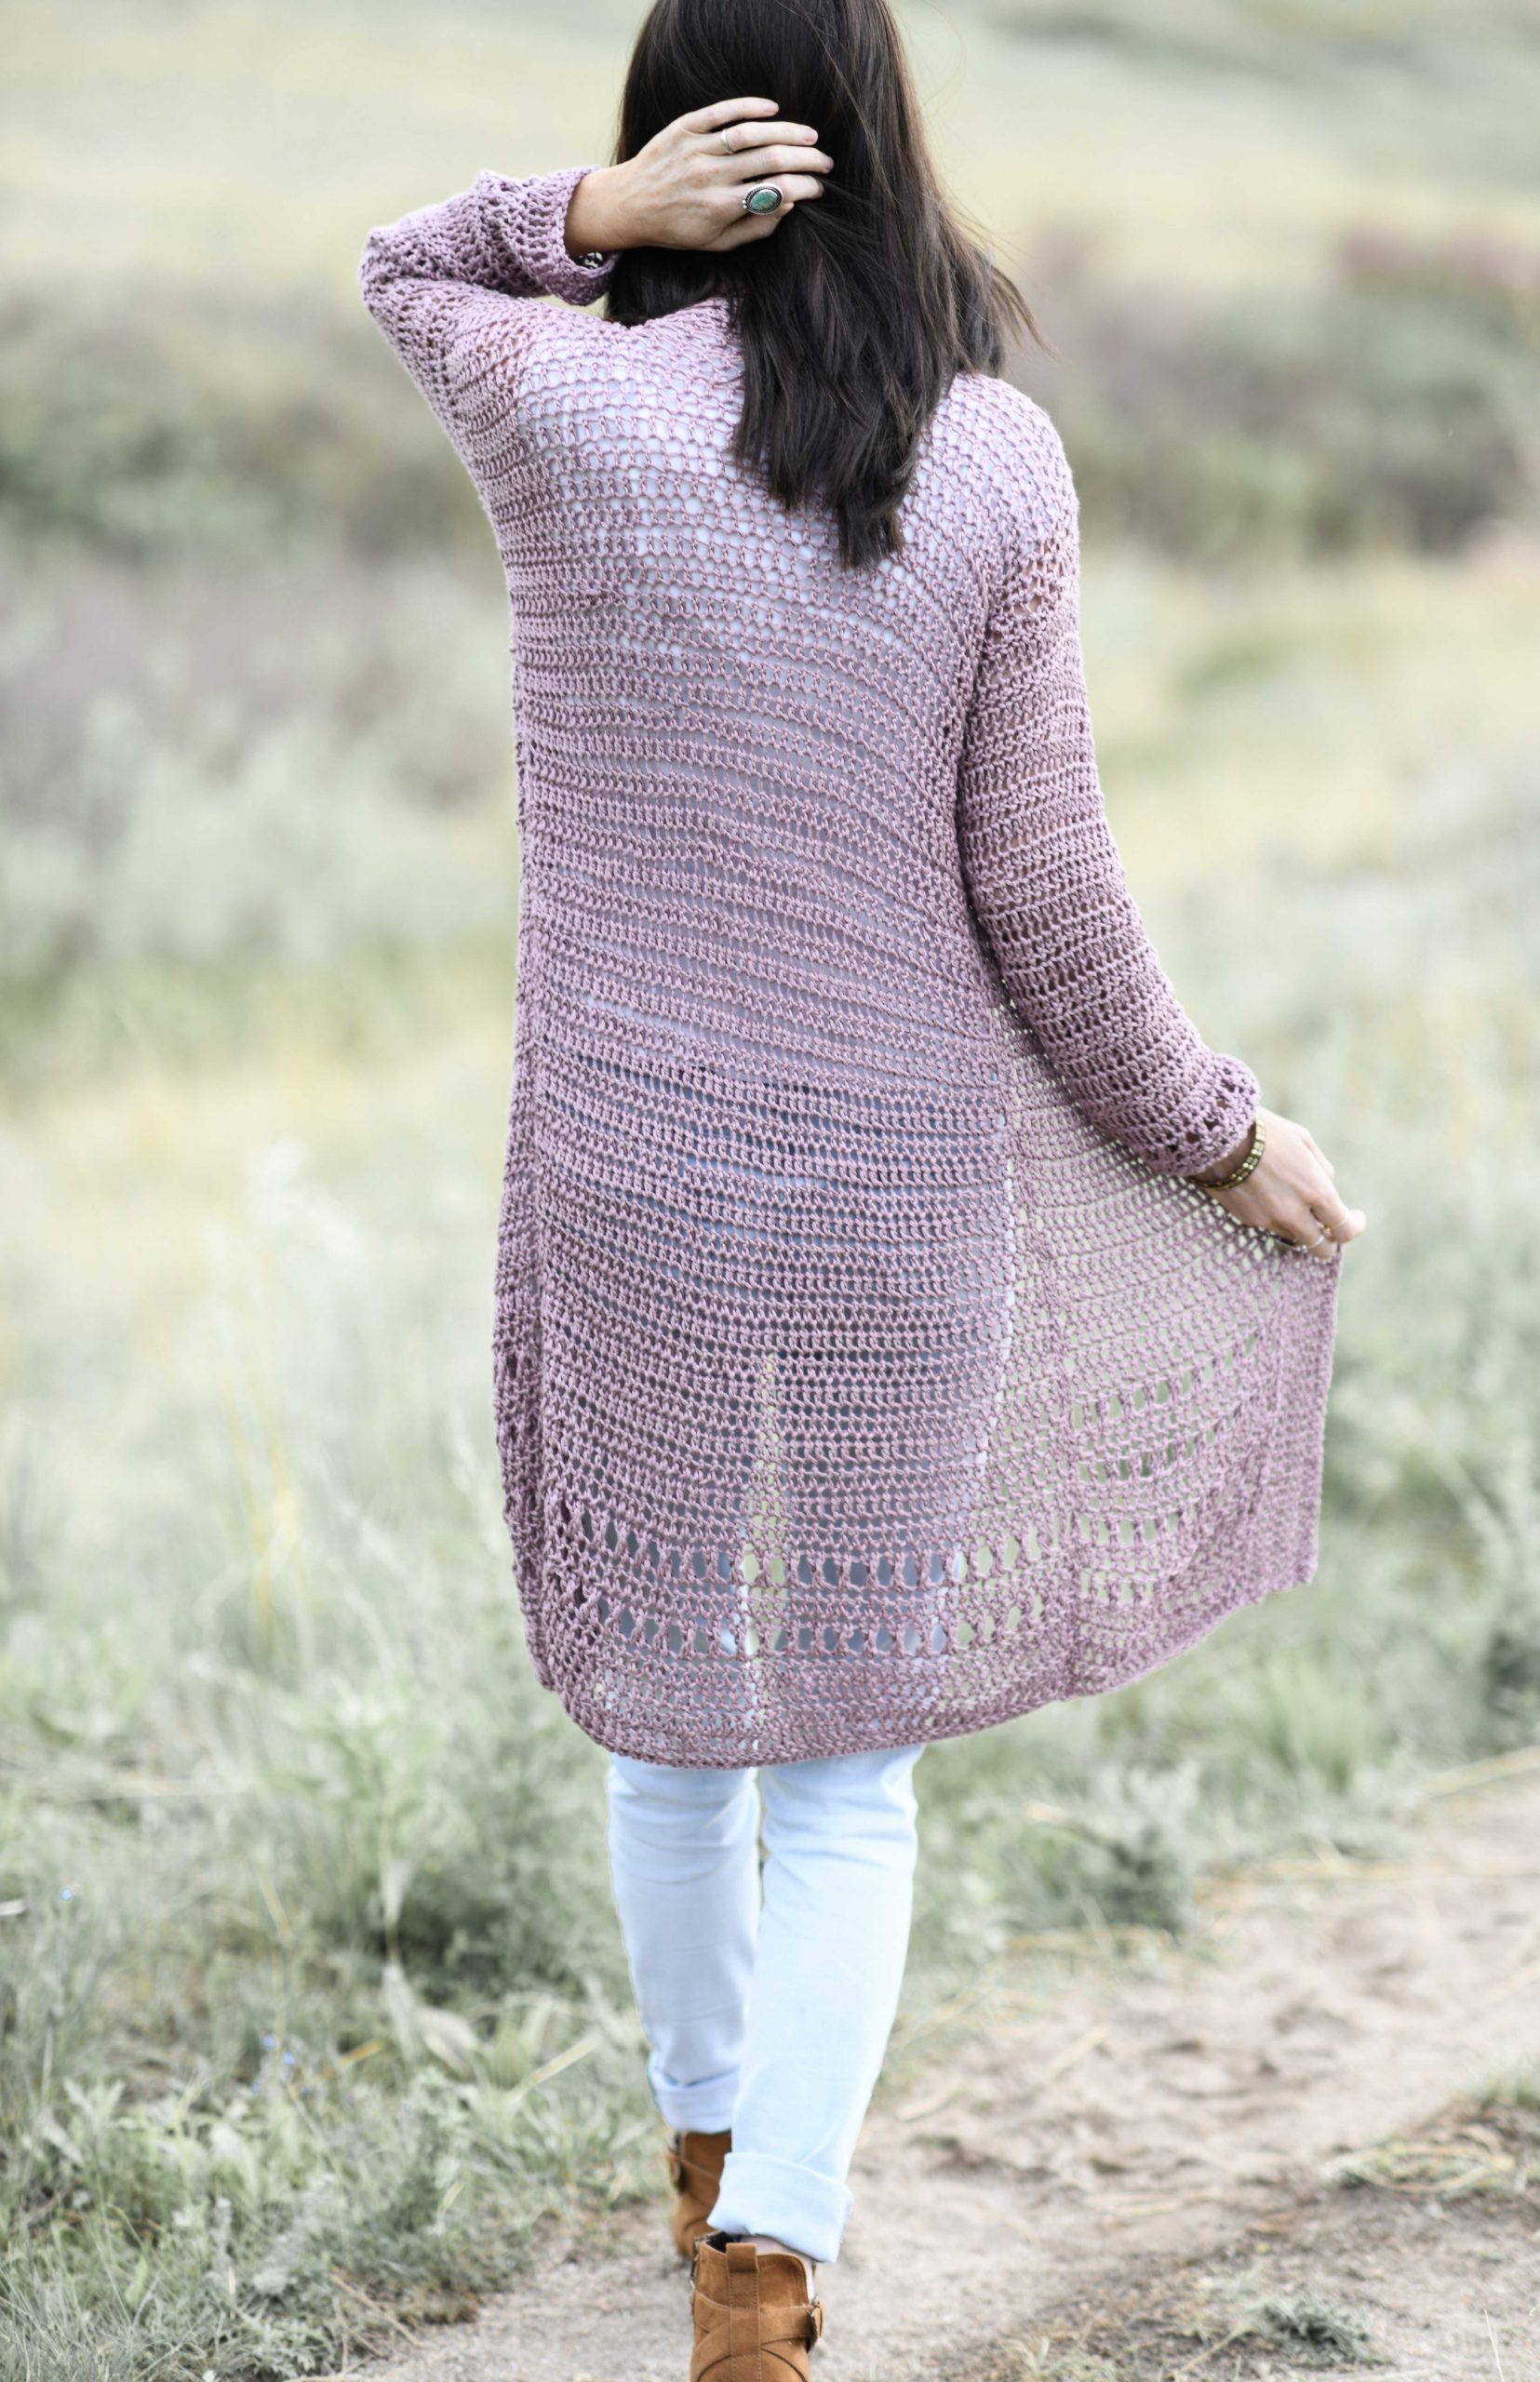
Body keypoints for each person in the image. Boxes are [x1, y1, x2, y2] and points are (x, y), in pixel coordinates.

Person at [358, 2, 1365, 2370]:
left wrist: (579, 219)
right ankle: (768, 2263)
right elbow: (1053, 902)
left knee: (673, 1726)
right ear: (890, 137)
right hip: (899, 1201)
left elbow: (405, 266)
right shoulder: (989, 458)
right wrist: (1225, 1131)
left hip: (633, 1177)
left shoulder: (565, 406)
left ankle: (712, 2152)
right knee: (847, 1768)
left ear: (679, 137)